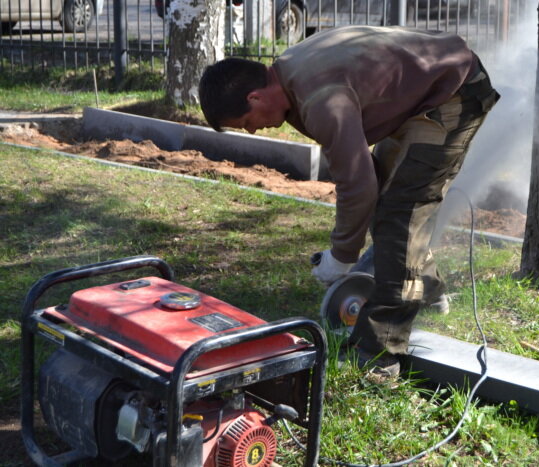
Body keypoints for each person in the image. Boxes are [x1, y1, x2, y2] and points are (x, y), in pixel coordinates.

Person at [198, 25, 499, 379]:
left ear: (254, 98)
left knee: (401, 213)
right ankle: (425, 287)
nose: (251, 131)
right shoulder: (289, 77)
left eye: (245, 123)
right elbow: (363, 176)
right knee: (388, 202)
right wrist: (352, 234)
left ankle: (379, 355)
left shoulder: (318, 98)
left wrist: (341, 259)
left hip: (452, 92)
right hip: (422, 95)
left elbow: (357, 185)